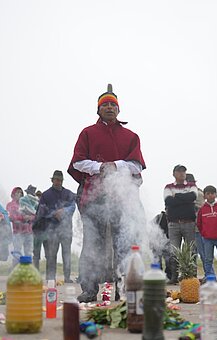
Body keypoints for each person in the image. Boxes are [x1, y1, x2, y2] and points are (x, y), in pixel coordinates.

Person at [68, 84, 146, 303]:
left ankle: (124, 288)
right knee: (92, 242)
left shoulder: (131, 136)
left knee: (124, 243)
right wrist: (100, 167)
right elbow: (78, 162)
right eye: (105, 105)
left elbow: (136, 166)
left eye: (113, 104)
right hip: (93, 197)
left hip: (121, 197)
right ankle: (89, 288)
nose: (110, 107)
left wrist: (117, 165)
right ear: (98, 110)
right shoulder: (87, 133)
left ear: (119, 110)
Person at [36, 170, 76, 282]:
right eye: (56, 180)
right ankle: (50, 278)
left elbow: (73, 207)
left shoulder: (69, 194)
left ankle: (67, 277)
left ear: (62, 181)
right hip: (51, 230)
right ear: (52, 180)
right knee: (51, 254)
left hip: (66, 229)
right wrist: (54, 213)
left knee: (66, 254)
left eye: (60, 180)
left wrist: (64, 211)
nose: (58, 182)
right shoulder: (45, 195)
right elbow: (41, 212)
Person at [164, 165, 200, 284]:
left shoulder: (192, 186)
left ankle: (192, 276)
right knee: (174, 250)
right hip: (174, 224)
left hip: (189, 223)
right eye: (179, 172)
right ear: (174, 173)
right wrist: (185, 199)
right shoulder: (168, 187)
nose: (181, 174)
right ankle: (174, 276)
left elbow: (193, 196)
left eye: (183, 172)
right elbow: (168, 201)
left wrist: (177, 196)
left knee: (191, 250)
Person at [7, 187, 34, 266]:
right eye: (17, 192)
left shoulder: (27, 204)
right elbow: (11, 217)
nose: (20, 194)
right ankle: (16, 271)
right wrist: (23, 218)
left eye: (21, 193)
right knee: (17, 252)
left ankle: (28, 272)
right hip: (18, 233)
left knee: (28, 253)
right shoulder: (10, 205)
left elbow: (35, 214)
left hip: (29, 232)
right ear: (13, 194)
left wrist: (30, 218)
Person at [152, 211, 171, 280]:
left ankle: (169, 275)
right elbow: (151, 228)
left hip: (167, 241)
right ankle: (158, 275)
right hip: (157, 240)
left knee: (168, 259)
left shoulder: (173, 217)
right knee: (157, 258)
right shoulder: (159, 217)